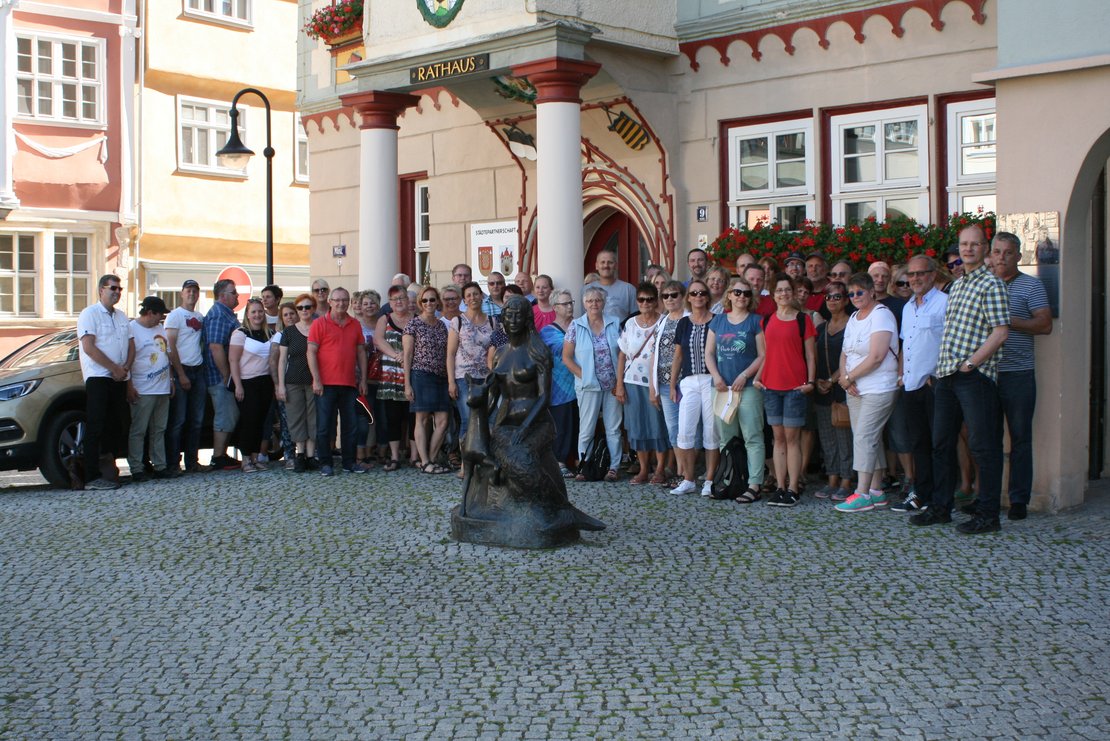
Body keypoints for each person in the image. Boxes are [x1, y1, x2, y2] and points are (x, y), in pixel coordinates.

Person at [911, 224, 1009, 533]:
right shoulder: (958, 284)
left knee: (983, 446)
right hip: (947, 376)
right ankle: (941, 507)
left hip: (974, 377)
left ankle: (988, 515)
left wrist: (972, 363)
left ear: (984, 249)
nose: (968, 249)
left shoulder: (991, 285)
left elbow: (1001, 331)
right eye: (964, 244)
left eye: (974, 245)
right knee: (942, 444)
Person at [990, 231, 1051, 521]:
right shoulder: (983, 285)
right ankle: (986, 497)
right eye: (997, 251)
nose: (1001, 257)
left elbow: (1044, 324)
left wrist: (1007, 321)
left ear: (1018, 256)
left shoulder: (1031, 286)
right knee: (986, 439)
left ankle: (1018, 500)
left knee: (1020, 439)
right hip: (986, 373)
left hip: (1018, 374)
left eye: (1008, 252)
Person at [833, 273, 901, 512]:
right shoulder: (853, 317)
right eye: (850, 294)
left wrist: (850, 377)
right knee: (868, 438)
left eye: (859, 292)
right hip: (854, 387)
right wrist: (844, 378)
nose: (854, 297)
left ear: (872, 291)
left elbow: (876, 356)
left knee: (864, 437)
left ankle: (861, 493)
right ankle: (876, 491)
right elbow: (845, 352)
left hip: (878, 387)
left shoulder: (881, 315)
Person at [753, 273, 816, 507]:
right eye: (779, 290)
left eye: (787, 290)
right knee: (777, 440)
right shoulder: (766, 320)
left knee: (792, 440)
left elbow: (811, 355)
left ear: (793, 293)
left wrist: (809, 381)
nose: (783, 294)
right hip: (770, 386)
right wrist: (758, 379)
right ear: (774, 294)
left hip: (794, 388)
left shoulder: (803, 320)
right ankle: (780, 486)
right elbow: (765, 354)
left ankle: (793, 488)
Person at [892, 255, 947, 513]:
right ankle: (922, 494)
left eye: (920, 274)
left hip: (934, 384)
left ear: (932, 275)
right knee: (919, 444)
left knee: (939, 444)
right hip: (911, 384)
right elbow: (906, 344)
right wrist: (902, 376)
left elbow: (949, 344)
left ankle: (941, 498)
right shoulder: (908, 307)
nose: (914, 279)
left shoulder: (944, 304)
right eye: (911, 275)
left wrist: (935, 376)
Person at [705, 276, 766, 502]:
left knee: (752, 436)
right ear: (729, 294)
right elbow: (709, 353)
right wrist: (716, 376)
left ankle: (754, 484)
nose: (741, 297)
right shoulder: (718, 321)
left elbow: (763, 355)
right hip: (722, 388)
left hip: (747, 388)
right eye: (737, 292)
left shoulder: (756, 321)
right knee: (726, 438)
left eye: (746, 293)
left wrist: (745, 374)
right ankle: (728, 480)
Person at [308, 287, 370, 476]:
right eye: (337, 300)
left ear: (349, 302)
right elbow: (311, 352)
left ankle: (349, 462)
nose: (341, 303)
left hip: (349, 383)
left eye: (345, 300)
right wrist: (316, 379)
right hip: (325, 383)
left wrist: (364, 379)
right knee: (325, 425)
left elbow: (361, 352)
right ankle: (325, 463)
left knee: (350, 426)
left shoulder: (355, 324)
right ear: (330, 302)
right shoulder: (319, 323)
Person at [564, 286, 622, 482]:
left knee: (613, 427)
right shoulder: (576, 325)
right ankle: (584, 465)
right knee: (587, 427)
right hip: (588, 386)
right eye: (590, 301)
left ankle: (613, 467)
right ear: (584, 304)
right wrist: (585, 375)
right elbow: (567, 357)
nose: (594, 304)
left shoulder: (614, 323)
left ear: (603, 303)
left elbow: (622, 353)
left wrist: (620, 381)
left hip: (612, 385)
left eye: (597, 300)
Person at [668, 279, 719, 496]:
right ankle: (688, 479)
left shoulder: (717, 321)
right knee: (685, 431)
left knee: (711, 432)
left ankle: (709, 480)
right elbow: (678, 355)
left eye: (702, 293)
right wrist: (672, 385)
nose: (698, 296)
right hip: (688, 381)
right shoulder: (684, 323)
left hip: (710, 380)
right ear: (688, 297)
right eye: (694, 293)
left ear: (707, 297)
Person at [616, 282, 668, 485]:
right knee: (637, 427)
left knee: (658, 426)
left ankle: (660, 469)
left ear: (656, 301)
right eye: (641, 299)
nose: (645, 303)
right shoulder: (630, 324)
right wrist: (619, 383)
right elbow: (622, 355)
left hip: (656, 382)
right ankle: (644, 469)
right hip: (632, 382)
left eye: (650, 299)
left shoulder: (664, 322)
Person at [813, 281, 855, 501]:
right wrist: (818, 381)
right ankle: (832, 478)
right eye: (828, 297)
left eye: (837, 297)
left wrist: (832, 380)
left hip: (844, 387)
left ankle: (846, 480)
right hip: (822, 388)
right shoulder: (821, 328)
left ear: (846, 300)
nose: (831, 301)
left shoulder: (853, 325)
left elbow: (853, 356)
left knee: (844, 435)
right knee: (827, 436)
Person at [448, 281, 499, 458]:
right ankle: (466, 462)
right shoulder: (458, 321)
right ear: (464, 300)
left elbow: (498, 349)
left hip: (486, 378)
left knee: (489, 419)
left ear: (481, 296)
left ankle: (488, 458)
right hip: (464, 377)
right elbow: (450, 354)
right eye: (468, 295)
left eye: (475, 294)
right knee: (468, 420)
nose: (472, 298)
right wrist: (451, 382)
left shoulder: (493, 321)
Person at [404, 285, 452, 474]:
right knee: (422, 419)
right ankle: (425, 461)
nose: (429, 303)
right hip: (421, 375)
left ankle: (430, 459)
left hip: (440, 376)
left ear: (437, 302)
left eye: (432, 299)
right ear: (420, 303)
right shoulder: (413, 324)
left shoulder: (441, 325)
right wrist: (407, 384)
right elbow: (407, 356)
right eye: (425, 300)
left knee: (442, 421)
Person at [126, 296, 174, 482]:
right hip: (142, 388)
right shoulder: (132, 329)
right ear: (149, 313)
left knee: (159, 429)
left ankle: (159, 465)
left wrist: (171, 379)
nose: (161, 318)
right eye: (159, 314)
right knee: (139, 430)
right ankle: (137, 467)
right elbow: (128, 359)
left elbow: (165, 354)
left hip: (162, 387)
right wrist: (129, 385)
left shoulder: (159, 328)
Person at [165, 279, 208, 474]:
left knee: (196, 420)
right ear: (182, 293)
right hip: (181, 369)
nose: (192, 294)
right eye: (188, 290)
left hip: (198, 370)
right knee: (178, 420)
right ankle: (173, 463)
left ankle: (192, 462)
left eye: (195, 291)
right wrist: (180, 374)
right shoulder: (175, 316)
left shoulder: (199, 316)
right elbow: (170, 346)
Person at [228, 299, 274, 473]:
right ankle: (246, 458)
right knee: (249, 420)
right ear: (247, 314)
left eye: (260, 311)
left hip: (265, 381)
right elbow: (233, 360)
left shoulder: (268, 333)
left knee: (261, 421)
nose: (257, 315)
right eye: (253, 312)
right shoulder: (240, 333)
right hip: (247, 381)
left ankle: (255, 457)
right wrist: (238, 385)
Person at [650, 280, 688, 482]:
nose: (670, 299)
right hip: (664, 384)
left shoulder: (689, 319)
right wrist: (652, 387)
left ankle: (686, 471)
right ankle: (681, 471)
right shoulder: (662, 321)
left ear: (682, 296)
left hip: (685, 382)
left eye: (674, 295)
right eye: (665, 296)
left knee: (687, 427)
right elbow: (653, 355)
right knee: (673, 427)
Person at [540, 289, 579, 478]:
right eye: (565, 304)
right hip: (559, 386)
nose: (570, 306)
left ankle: (579, 459)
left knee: (579, 423)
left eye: (571, 302)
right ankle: (559, 461)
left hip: (581, 382)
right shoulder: (547, 331)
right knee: (562, 424)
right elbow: (559, 349)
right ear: (555, 307)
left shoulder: (580, 325)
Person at [278, 295, 318, 472]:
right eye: (300, 308)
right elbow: (281, 360)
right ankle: (300, 455)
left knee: (313, 418)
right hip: (293, 380)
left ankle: (311, 455)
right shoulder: (289, 332)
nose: (304, 310)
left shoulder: (319, 328)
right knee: (296, 418)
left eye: (307, 307)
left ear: (313, 309)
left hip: (313, 380)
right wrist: (280, 385)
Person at [205, 278, 241, 470]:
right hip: (220, 377)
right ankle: (218, 456)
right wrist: (227, 376)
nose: (237, 295)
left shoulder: (227, 313)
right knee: (225, 415)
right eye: (233, 292)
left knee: (230, 415)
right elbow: (216, 346)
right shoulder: (219, 314)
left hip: (225, 376)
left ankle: (222, 454)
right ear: (222, 295)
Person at [375, 285, 413, 471]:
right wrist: (397, 355)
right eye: (395, 299)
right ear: (390, 303)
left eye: (402, 298)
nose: (399, 302)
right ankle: (395, 456)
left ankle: (415, 455)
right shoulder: (385, 318)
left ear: (408, 300)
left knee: (413, 415)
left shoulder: (415, 319)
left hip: (413, 374)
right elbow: (378, 340)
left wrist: (406, 357)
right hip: (391, 376)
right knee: (393, 417)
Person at [269, 302, 298, 469]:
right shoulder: (279, 336)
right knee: (287, 421)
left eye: (292, 313)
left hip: (303, 382)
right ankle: (289, 454)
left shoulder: (304, 331)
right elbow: (273, 361)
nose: (289, 317)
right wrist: (278, 384)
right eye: (286, 315)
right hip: (286, 383)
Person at [583, 249, 636, 321]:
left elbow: (636, 319)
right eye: (602, 262)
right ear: (596, 266)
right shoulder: (586, 290)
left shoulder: (629, 290)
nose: (606, 265)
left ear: (616, 266)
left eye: (610, 262)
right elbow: (582, 318)